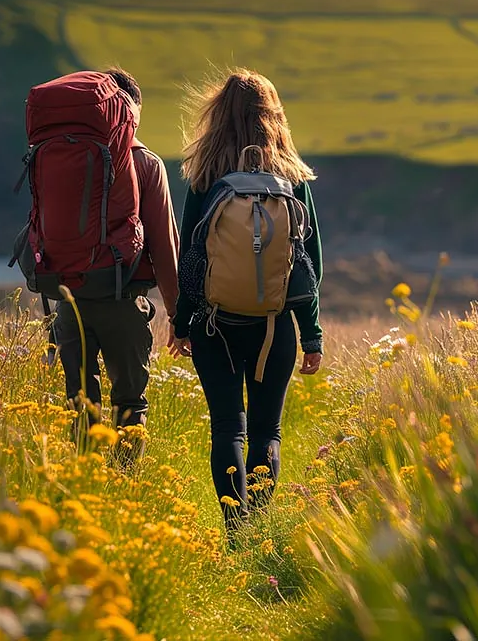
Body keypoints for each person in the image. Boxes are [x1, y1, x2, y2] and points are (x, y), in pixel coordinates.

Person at [171, 69, 323, 540]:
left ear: (217, 116)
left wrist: (181, 324)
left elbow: (189, 259)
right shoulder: (292, 178)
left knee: (227, 430)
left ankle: (235, 531)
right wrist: (311, 335)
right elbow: (308, 264)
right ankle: (257, 533)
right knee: (266, 433)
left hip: (213, 324)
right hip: (273, 327)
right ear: (273, 117)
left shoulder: (204, 175)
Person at [53, 68, 180, 434]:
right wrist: (176, 314)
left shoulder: (64, 155)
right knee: (129, 402)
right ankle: (123, 484)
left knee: (80, 402)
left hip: (69, 297)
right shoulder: (146, 163)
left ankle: (84, 480)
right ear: (132, 112)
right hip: (124, 297)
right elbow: (164, 246)